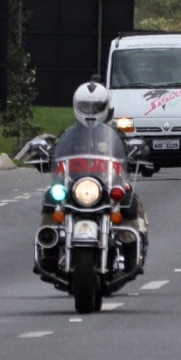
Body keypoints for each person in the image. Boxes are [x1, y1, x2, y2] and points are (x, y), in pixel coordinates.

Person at [38, 80, 148, 273]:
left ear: (105, 107)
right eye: (85, 106)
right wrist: (45, 153)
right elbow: (57, 152)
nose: (90, 111)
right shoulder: (69, 135)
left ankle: (132, 250)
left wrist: (136, 151)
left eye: (95, 106)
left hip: (106, 185)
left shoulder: (115, 135)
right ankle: (49, 250)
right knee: (51, 198)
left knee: (129, 200)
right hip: (75, 186)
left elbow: (128, 150)